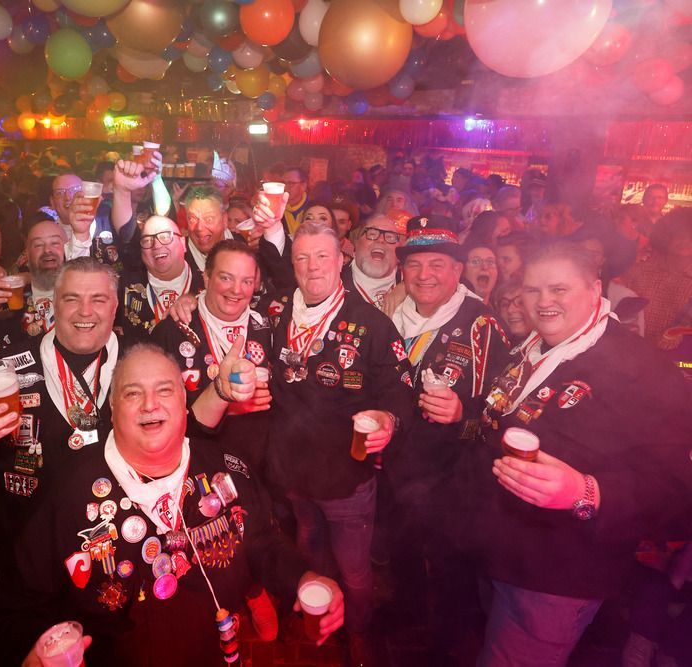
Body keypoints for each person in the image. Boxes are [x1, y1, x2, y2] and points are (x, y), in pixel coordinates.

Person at [0, 343, 345, 666]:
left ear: (185, 404)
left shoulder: (226, 469)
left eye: (164, 390)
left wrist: (302, 576)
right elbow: (10, 609)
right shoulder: (64, 495)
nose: (150, 404)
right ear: (112, 408)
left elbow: (265, 543)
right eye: (132, 393)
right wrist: (27, 653)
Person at [468, 242, 692, 666]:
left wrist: (586, 491)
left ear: (595, 288)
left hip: (556, 577)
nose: (543, 302)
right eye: (533, 291)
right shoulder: (534, 345)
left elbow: (677, 490)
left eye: (559, 289)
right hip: (498, 548)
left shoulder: (642, 369)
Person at [263, 222, 415, 662]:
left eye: (322, 256)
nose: (313, 267)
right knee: (309, 544)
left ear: (341, 260)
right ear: (292, 264)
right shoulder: (275, 313)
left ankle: (360, 630)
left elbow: (399, 390)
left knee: (354, 568)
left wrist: (388, 417)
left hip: (346, 477)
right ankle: (317, 603)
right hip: (292, 473)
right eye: (302, 258)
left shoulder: (371, 323)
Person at [0, 258, 122, 551]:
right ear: (54, 303)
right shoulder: (1, 373)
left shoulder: (142, 363)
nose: (85, 311)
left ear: (115, 306)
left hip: (118, 537)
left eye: (98, 299)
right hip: (27, 549)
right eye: (72, 299)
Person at [383, 221, 512, 658]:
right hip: (395, 468)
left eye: (437, 265)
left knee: (450, 567)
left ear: (457, 270)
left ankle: (448, 646)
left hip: (454, 476)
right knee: (400, 552)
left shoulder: (483, 326)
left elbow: (506, 409)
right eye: (414, 265)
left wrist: (463, 414)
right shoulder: (388, 318)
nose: (424, 275)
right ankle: (407, 619)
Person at [152, 240, 273, 470]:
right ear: (206, 278)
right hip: (198, 466)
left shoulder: (267, 325)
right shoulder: (172, 331)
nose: (236, 290)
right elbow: (159, 416)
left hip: (259, 468)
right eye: (226, 278)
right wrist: (229, 404)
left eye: (246, 281)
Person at [116, 215, 203, 341]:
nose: (156, 245)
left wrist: (197, 298)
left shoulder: (208, 283)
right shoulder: (122, 285)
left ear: (183, 243)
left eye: (165, 236)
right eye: (147, 240)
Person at [0, 217, 67, 341]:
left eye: (55, 243)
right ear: (27, 254)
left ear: (67, 249)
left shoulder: (83, 294)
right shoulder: (9, 296)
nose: (47, 250)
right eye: (38, 245)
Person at [621, 208, 692, 349]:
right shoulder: (638, 271)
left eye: (691, 235)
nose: (685, 241)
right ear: (665, 237)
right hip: (628, 351)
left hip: (677, 361)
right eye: (679, 235)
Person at [342, 213, 407, 315]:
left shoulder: (412, 284)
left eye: (390, 237)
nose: (380, 240)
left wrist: (408, 287)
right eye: (372, 234)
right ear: (356, 243)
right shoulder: (334, 282)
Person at [492, 280, 531, 345]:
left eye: (521, 303)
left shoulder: (550, 349)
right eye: (505, 304)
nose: (510, 310)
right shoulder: (493, 349)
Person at [282, 166, 310, 236]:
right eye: (283, 183)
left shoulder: (313, 208)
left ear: (303, 186)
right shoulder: (276, 209)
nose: (285, 187)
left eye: (291, 183)